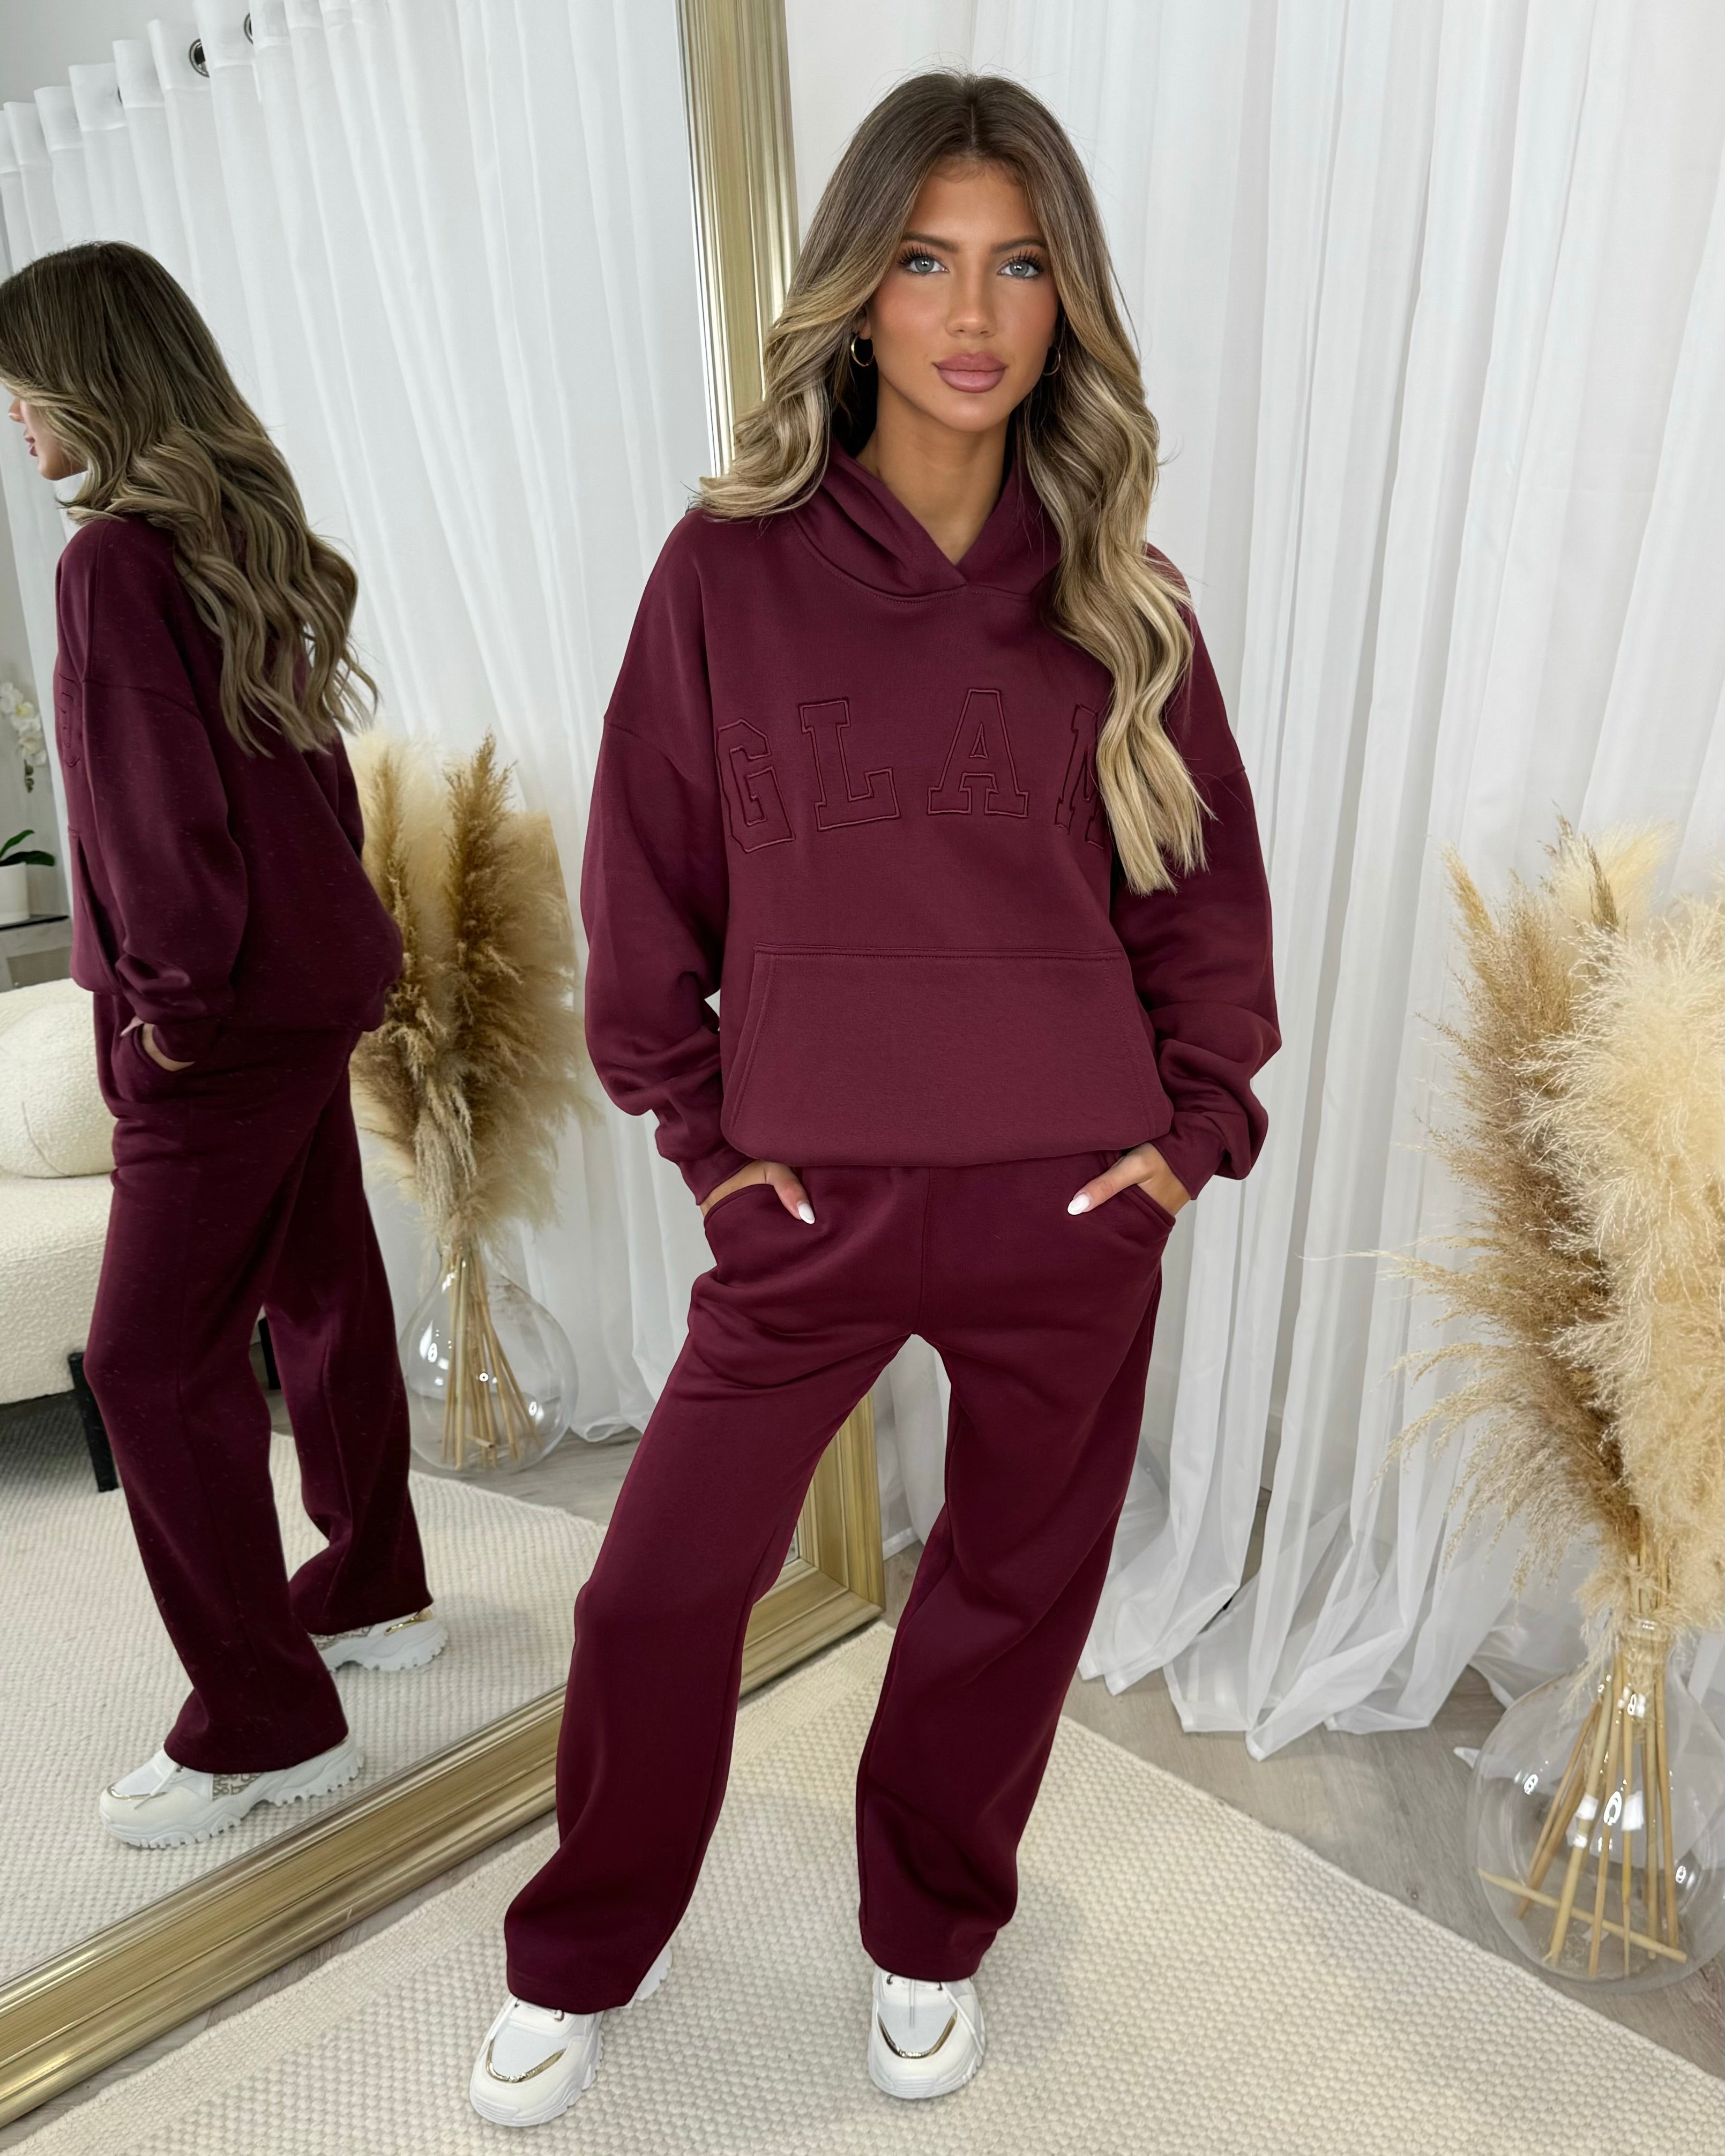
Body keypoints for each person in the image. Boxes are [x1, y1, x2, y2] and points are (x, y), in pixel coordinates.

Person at [469, 70, 1278, 2127]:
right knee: (656, 1590)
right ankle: (585, 1945)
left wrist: (1184, 1147)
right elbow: (642, 889)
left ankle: (927, 1930)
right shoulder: (724, 574)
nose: (972, 313)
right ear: (857, 288)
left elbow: (1202, 904)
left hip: (1065, 1205)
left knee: (1008, 1595)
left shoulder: (1124, 595)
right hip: (806, 1204)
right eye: (924, 260)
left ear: (1068, 301)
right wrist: (706, 1146)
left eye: (1018, 264)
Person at [0, 241, 446, 1851]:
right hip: (304, 981)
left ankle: (266, 1728)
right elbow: (312, 786)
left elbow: (152, 816)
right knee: (319, 1277)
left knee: (142, 1362)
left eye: (22, 392)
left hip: (221, 1012)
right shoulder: (231, 534)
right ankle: (375, 1586)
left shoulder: (110, 564)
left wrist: (169, 1012)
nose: (17, 424)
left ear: (84, 380)